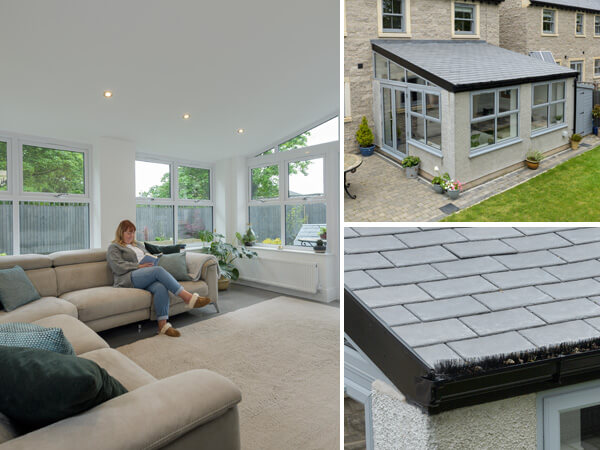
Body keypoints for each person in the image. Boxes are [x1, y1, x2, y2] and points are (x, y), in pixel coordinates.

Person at [106, 219, 210, 337]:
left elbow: (147, 256)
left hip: (144, 274)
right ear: (121, 233)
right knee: (158, 271)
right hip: (127, 277)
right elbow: (117, 266)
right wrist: (139, 266)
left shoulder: (138, 245)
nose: (131, 235)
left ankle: (162, 326)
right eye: (128, 233)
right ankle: (188, 298)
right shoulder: (114, 247)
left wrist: (154, 259)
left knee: (161, 287)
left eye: (133, 232)